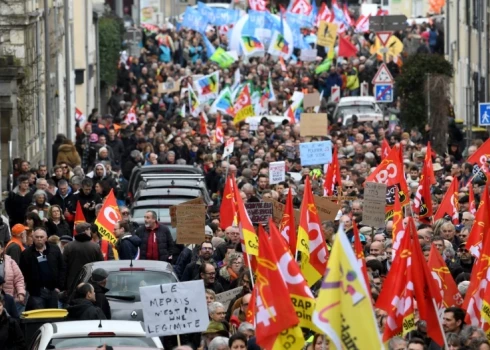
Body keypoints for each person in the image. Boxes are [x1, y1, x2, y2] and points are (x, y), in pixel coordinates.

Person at [20, 227, 65, 311]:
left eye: (41, 237)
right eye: (37, 237)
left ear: (46, 238)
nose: (39, 239)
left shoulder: (54, 249)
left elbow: (62, 268)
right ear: (33, 238)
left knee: (52, 315)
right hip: (36, 292)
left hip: (53, 290)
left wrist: (59, 286)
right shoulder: (26, 254)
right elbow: (22, 273)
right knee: (39, 316)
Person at [63, 223, 103, 292]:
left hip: (72, 283)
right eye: (89, 230)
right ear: (85, 231)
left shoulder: (68, 246)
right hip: (90, 283)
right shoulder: (95, 247)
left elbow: (64, 267)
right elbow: (101, 265)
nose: (90, 232)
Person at [0, 242, 25, 311]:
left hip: (9, 298)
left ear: (2, 249)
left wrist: (21, 293)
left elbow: (19, 279)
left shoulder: (10, 261)